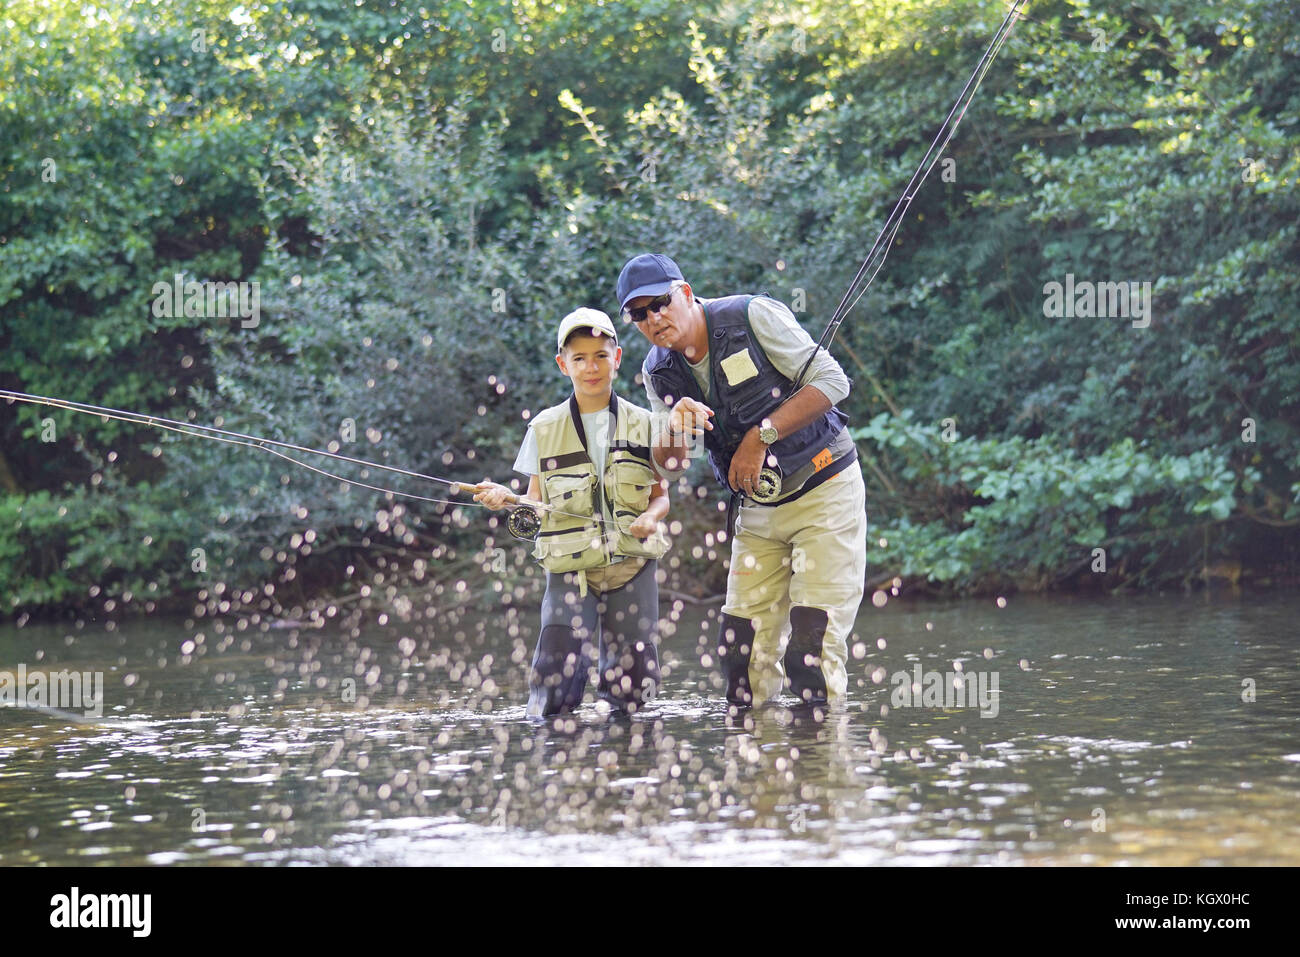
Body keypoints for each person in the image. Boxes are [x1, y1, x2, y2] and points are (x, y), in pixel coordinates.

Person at [617, 253, 867, 715]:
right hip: (757, 510)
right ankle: (760, 778)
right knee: (740, 656)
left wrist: (760, 435)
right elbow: (670, 468)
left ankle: (824, 776)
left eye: (662, 303)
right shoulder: (658, 372)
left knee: (810, 655)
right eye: (639, 313)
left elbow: (833, 381)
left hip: (825, 491)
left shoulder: (751, 316)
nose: (654, 318)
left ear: (686, 294)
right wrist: (672, 427)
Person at [473, 307, 671, 717]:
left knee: (634, 696)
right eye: (579, 358)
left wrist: (651, 517)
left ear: (617, 359)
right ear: (563, 365)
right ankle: (558, 767)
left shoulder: (647, 423)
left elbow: (661, 495)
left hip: (632, 567)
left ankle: (630, 769)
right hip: (569, 573)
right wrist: (503, 497)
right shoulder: (543, 428)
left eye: (600, 355)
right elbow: (534, 502)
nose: (591, 367)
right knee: (554, 687)